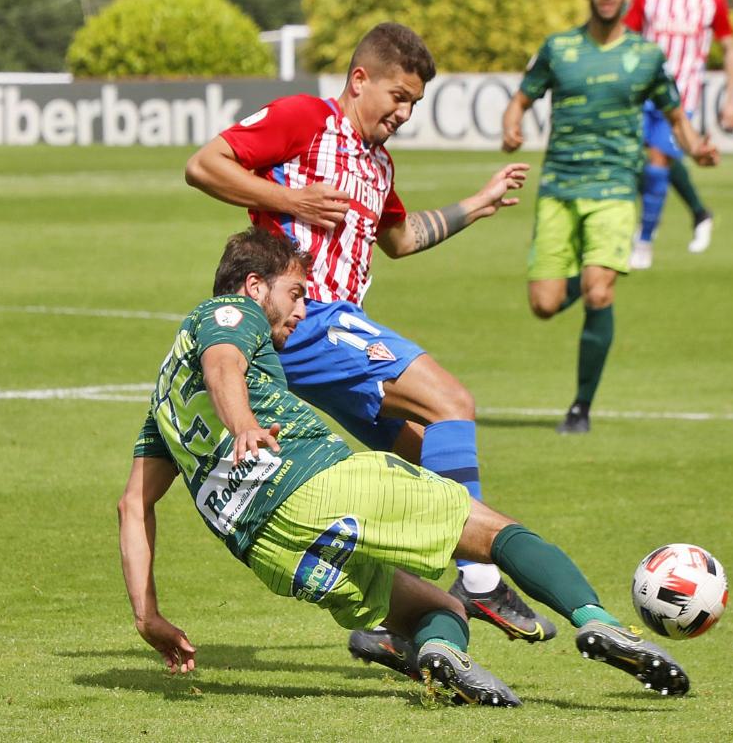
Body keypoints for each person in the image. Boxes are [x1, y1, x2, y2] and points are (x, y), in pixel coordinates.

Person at [118, 227, 691, 706]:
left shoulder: (164, 399)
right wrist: (243, 422)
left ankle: (443, 653)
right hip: (317, 480)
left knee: (436, 608)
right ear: (253, 285)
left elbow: (133, 505)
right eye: (294, 293)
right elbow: (225, 363)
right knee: (492, 531)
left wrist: (148, 618)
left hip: (273, 551)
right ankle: (597, 619)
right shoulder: (228, 312)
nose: (301, 308)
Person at [182, 23, 553, 666]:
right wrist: (286, 196)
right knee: (451, 401)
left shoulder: (377, 163)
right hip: (307, 318)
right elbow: (204, 164)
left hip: (339, 332)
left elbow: (402, 239)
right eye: (398, 97)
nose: (404, 114)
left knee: (420, 457)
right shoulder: (303, 119)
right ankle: (482, 581)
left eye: (414, 104)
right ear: (360, 80)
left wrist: (479, 203)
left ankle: (397, 618)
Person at [501, 0, 718, 434]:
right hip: (559, 185)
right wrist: (512, 127)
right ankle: (594, 273)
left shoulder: (646, 55)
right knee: (544, 304)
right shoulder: (559, 48)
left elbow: (675, 115)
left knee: (600, 291)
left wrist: (698, 149)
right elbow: (521, 98)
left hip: (616, 186)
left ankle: (580, 407)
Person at [624, 0, 733, 269]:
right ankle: (698, 213)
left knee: (658, 162)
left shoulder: (712, 2)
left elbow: (730, 45)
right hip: (640, 95)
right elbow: (626, 39)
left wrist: (731, 99)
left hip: (681, 100)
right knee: (633, 164)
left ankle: (644, 240)